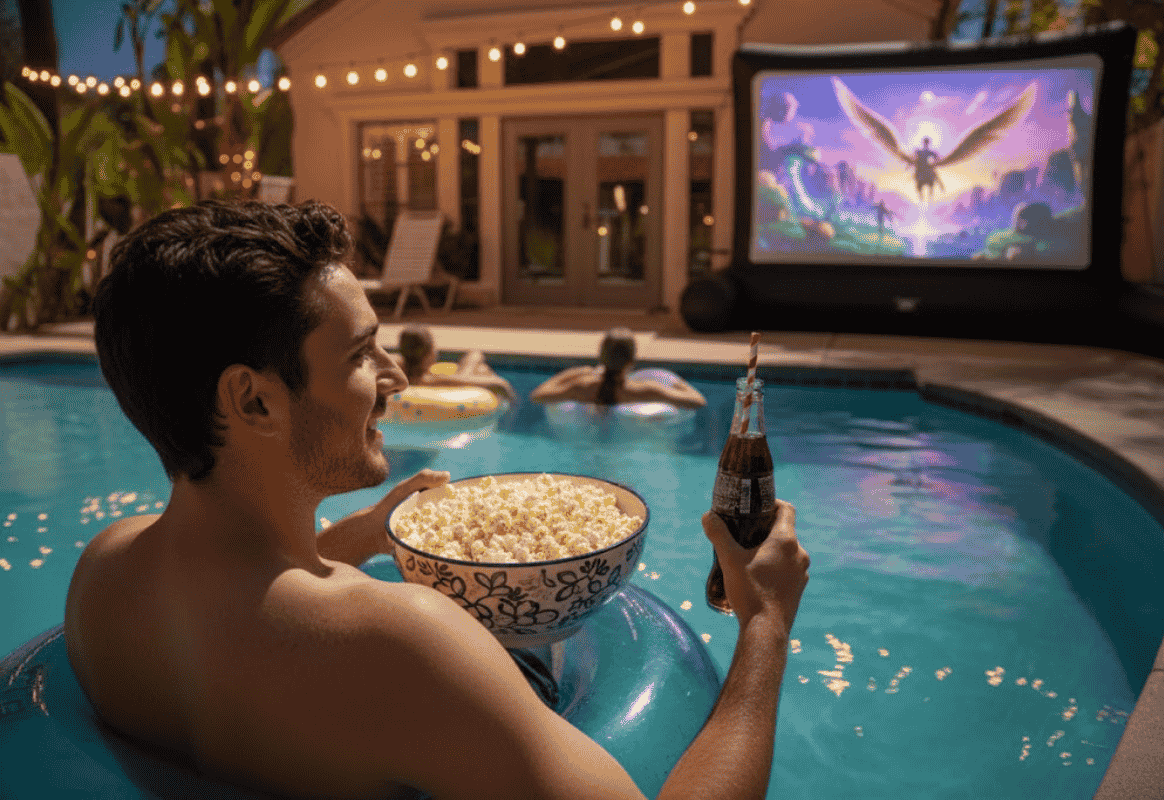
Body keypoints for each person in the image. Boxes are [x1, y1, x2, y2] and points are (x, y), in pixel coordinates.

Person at [65, 200, 809, 800]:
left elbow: (239, 616)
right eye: (359, 354)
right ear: (254, 401)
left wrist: (351, 538)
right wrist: (766, 623)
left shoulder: (103, 576)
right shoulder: (399, 644)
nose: (394, 376)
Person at [530, 327, 707, 409]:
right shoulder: (646, 390)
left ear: (601, 357)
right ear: (631, 360)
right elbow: (697, 401)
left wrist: (573, 373)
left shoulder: (582, 386)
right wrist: (677, 381)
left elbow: (538, 396)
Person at [397, 323, 516, 402]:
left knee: (475, 358)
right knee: (480, 367)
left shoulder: (397, 370)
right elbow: (500, 384)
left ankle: (473, 357)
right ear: (430, 353)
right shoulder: (428, 380)